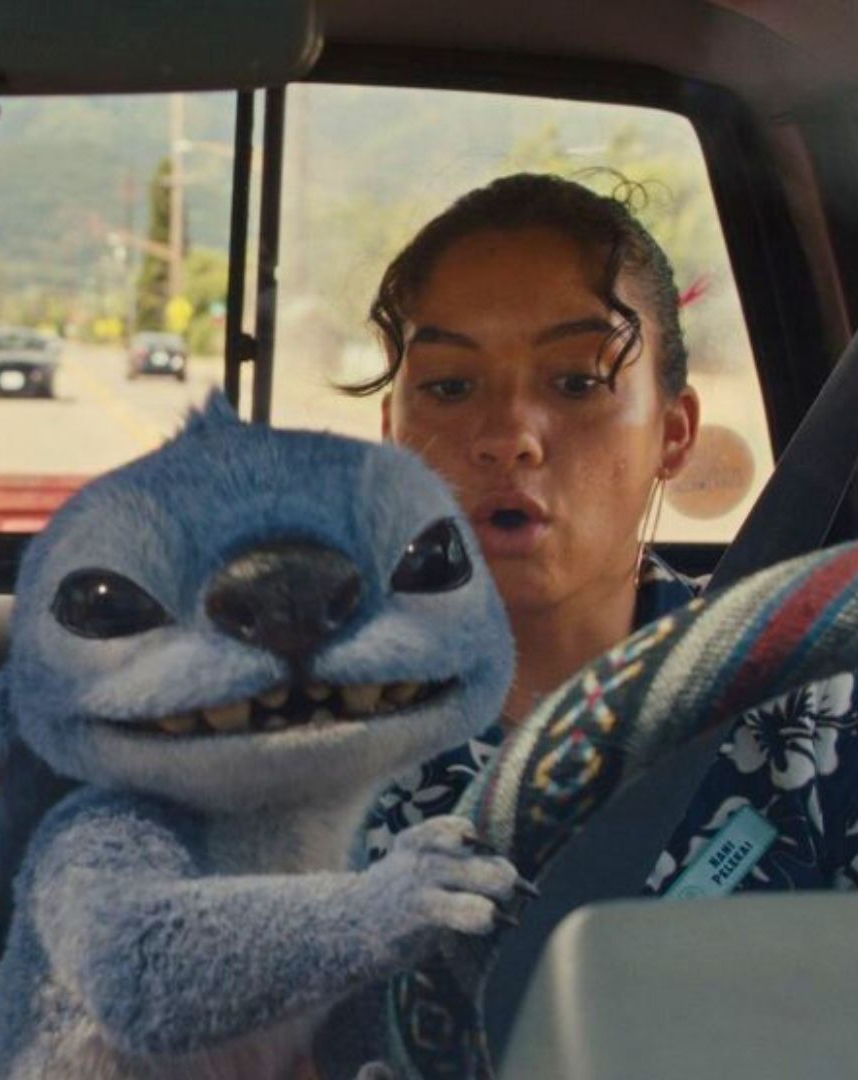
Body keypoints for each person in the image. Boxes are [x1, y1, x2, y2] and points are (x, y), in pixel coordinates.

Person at [355, 173, 858, 894]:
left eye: (577, 382)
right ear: (394, 437)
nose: (508, 437)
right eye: (450, 386)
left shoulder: (815, 705)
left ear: (673, 433)